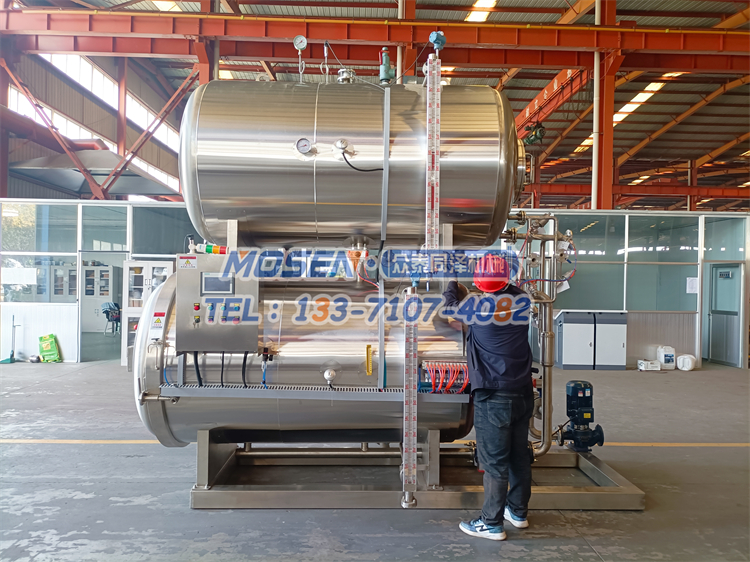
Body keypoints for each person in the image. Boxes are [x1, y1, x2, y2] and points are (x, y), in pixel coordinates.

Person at [442, 253, 534, 541]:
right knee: (519, 456)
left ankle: (491, 523)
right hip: (522, 392)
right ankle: (517, 512)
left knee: (494, 462)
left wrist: (451, 280)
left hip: (494, 396)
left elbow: (448, 306)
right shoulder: (522, 301)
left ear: (480, 283)